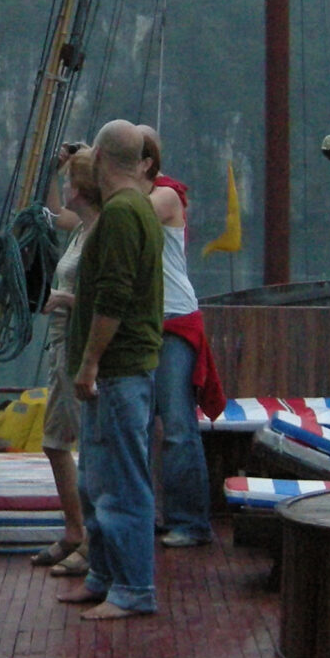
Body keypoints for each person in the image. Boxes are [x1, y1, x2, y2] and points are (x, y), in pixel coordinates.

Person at [57, 120, 167, 622]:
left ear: (99, 157)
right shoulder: (132, 206)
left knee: (123, 483)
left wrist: (90, 362)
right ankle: (102, 575)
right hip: (112, 374)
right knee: (95, 480)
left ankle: (134, 588)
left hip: (119, 371)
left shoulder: (123, 213)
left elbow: (115, 296)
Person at [137, 125, 220, 547]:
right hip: (141, 324)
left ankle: (190, 521)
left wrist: (98, 176)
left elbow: (132, 214)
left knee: (176, 424)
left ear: (145, 163)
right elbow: (70, 217)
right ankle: (146, 514)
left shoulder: (165, 196)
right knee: (137, 425)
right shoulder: (128, 197)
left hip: (173, 320)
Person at [29, 147, 101, 576]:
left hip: (78, 348)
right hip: (60, 346)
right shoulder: (80, 228)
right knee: (55, 443)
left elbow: (107, 302)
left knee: (87, 447)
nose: (67, 187)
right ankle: (75, 531)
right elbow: (52, 213)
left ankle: (92, 542)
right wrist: (53, 170)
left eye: (72, 180)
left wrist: (61, 299)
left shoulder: (100, 233)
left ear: (84, 187)